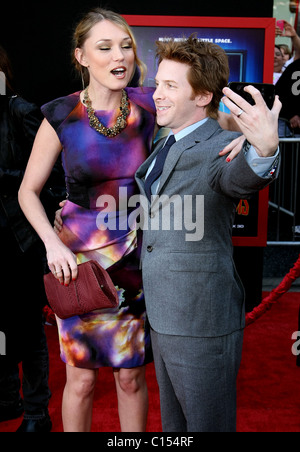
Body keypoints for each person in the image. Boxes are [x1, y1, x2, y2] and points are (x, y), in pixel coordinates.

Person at [19, 8, 246, 432]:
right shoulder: (60, 115)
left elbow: (211, 122)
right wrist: (52, 244)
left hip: (141, 259)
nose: (119, 55)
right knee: (82, 380)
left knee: (130, 376)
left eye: (125, 44)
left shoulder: (150, 102)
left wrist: (247, 139)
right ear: (81, 56)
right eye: (104, 47)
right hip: (78, 263)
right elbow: (26, 191)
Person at [134, 36, 281, 432]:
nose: (157, 94)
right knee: (175, 427)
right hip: (165, 313)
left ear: (202, 96)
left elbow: (240, 175)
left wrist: (264, 148)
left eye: (170, 86)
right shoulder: (167, 140)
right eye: (158, 83)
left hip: (201, 318)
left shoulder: (220, 146)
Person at [0, 45, 52, 432]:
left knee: (29, 329)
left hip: (19, 240)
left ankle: (36, 414)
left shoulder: (20, 110)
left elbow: (46, 175)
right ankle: (6, 398)